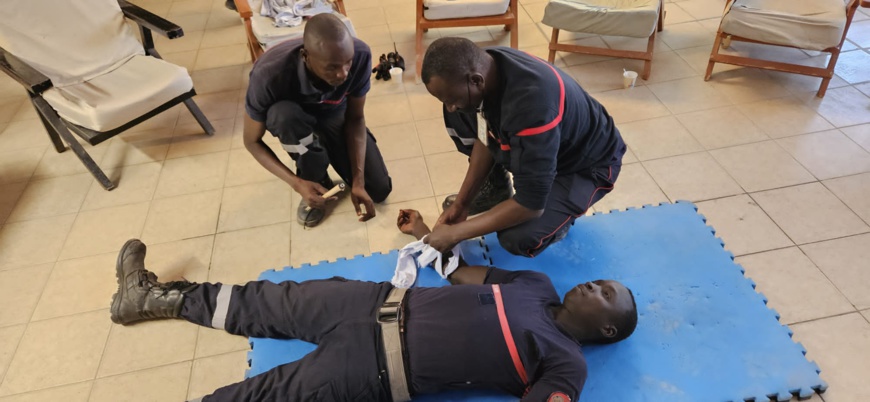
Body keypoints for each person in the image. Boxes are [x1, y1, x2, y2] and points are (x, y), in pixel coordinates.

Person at [110, 210, 638, 402]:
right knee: (267, 299)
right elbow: (463, 275)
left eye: (605, 294)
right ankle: (150, 299)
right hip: (373, 301)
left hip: (377, 368)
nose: (593, 286)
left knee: (267, 396)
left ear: (608, 331)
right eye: (598, 281)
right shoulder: (536, 284)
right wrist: (430, 236)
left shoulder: (567, 363)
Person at [420, 37, 627, 257]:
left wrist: (456, 234)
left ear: (476, 81)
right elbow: (485, 133)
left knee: (517, 237)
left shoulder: (531, 110)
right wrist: (462, 204)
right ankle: (496, 189)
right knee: (462, 115)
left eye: (451, 98)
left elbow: (531, 205)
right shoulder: (487, 63)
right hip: (548, 146)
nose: (449, 106)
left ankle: (560, 220)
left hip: (588, 165)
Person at [242, 14, 392, 227]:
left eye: (347, 63)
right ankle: (316, 177)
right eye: (332, 67)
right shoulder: (268, 74)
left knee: (378, 189)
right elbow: (251, 142)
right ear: (306, 56)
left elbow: (356, 118)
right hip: (294, 120)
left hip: (333, 115)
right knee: (283, 116)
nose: (343, 74)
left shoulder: (360, 54)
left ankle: (327, 149)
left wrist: (358, 180)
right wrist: (297, 184)